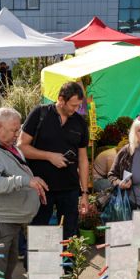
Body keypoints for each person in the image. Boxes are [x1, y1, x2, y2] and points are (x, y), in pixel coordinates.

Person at [0, 107, 48, 279]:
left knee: (9, 264)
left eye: (18, 129)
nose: (18, 134)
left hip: (8, 219)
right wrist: (25, 181)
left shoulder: (6, 146)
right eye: (14, 130)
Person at [18, 81, 90, 239]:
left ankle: (69, 264)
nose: (76, 109)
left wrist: (84, 193)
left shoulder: (80, 123)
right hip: (41, 188)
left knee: (70, 235)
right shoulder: (40, 114)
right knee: (38, 233)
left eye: (78, 105)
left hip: (70, 189)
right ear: (61, 99)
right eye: (73, 105)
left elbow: (83, 160)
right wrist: (49, 156)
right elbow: (21, 146)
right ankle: (36, 264)